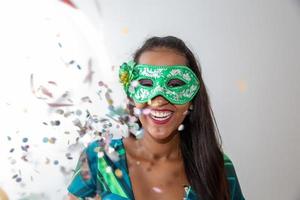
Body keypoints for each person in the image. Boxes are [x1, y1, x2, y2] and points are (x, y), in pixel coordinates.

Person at [67, 36, 245, 200]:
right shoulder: (98, 159)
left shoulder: (217, 167)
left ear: (192, 99)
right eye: (146, 83)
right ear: (132, 95)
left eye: (175, 84)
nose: (158, 101)